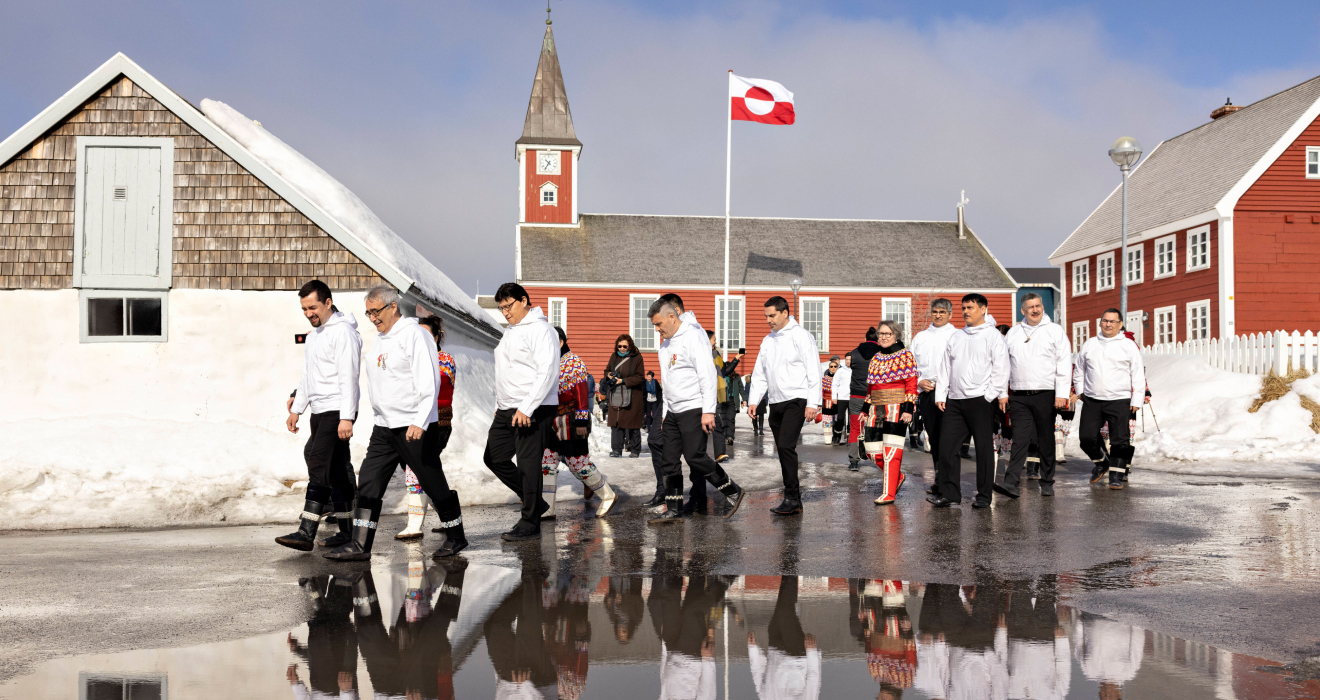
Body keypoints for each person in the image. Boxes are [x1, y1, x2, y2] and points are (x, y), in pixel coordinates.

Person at [324, 285, 463, 561]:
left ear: (393, 307)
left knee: (432, 482)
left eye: (376, 311)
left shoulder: (414, 335)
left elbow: (429, 381)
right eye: (368, 312)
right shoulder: (380, 339)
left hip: (413, 426)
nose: (373, 318)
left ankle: (456, 537)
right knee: (369, 481)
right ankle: (360, 544)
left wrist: (421, 421)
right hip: (384, 427)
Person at [278, 280, 362, 552]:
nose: (308, 313)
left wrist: (347, 417)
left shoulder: (343, 333)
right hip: (319, 409)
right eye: (304, 309)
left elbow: (349, 377)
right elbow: (307, 377)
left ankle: (306, 531)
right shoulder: (314, 336)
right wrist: (296, 409)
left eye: (312, 307)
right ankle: (348, 532)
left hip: (337, 409)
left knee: (318, 462)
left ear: (328, 302)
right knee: (335, 470)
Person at [647, 297, 746, 524]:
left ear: (672, 317)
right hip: (672, 411)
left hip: (694, 408)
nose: (657, 329)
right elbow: (668, 381)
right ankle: (674, 509)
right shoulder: (665, 345)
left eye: (659, 323)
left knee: (695, 457)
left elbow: (707, 374)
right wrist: (664, 415)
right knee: (669, 460)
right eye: (654, 325)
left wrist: (708, 411)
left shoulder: (693, 336)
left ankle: (732, 490)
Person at [483, 282, 560, 542]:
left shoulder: (541, 330)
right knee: (494, 457)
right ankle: (535, 503)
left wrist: (527, 408)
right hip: (507, 409)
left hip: (533, 408)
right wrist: (499, 407)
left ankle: (530, 523)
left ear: (524, 300)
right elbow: (507, 373)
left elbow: (547, 372)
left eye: (509, 305)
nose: (505, 312)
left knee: (528, 466)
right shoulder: (511, 331)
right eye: (501, 308)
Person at [929, 294, 1008, 509]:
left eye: (970, 307)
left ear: (983, 309)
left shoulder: (993, 336)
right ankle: (949, 493)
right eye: (963, 307)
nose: (966, 311)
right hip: (955, 400)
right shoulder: (956, 336)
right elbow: (945, 368)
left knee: (983, 450)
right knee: (947, 448)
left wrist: (989, 396)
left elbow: (1001, 369)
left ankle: (984, 496)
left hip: (980, 400)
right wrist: (941, 395)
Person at [747, 296, 822, 516]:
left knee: (786, 446)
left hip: (796, 399)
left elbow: (813, 369)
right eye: (766, 316)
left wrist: (813, 403)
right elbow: (760, 372)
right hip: (776, 401)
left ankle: (792, 497)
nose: (768, 320)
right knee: (782, 448)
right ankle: (793, 498)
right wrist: (754, 399)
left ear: (785, 312)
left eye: (772, 315)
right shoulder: (768, 341)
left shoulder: (801, 336)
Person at [994, 293, 1071, 499]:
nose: (1035, 310)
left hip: (1045, 394)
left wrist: (1062, 393)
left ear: (1042, 307)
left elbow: (1063, 363)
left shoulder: (1055, 331)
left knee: (1046, 439)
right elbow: (1003, 365)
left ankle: (1047, 482)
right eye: (1030, 307)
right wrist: (1002, 392)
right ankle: (1011, 483)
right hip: (1019, 395)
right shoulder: (1014, 333)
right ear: (1023, 311)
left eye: (1038, 306)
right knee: (1020, 439)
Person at [542, 326, 618, 518]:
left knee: (578, 463)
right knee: (548, 462)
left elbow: (582, 394)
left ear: (560, 342)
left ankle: (607, 495)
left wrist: (582, 422)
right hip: (553, 420)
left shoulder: (573, 363)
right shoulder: (553, 362)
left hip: (571, 419)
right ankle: (547, 508)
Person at [395, 314, 457, 540]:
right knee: (426, 472)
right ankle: (448, 517)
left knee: (416, 470)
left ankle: (414, 525)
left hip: (436, 424)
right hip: (407, 424)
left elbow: (434, 387)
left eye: (425, 333)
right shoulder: (410, 357)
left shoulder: (444, 359)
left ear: (437, 336)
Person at [1073, 308, 1145, 490]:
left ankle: (1116, 476)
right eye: (1105, 320)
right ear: (1100, 322)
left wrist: (1137, 399)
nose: (1108, 324)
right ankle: (1102, 463)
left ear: (1120, 324)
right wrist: (1080, 390)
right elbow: (1079, 369)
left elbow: (1137, 374)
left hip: (1119, 399)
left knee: (1120, 441)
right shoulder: (1090, 344)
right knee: (1086, 438)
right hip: (1092, 399)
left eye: (1113, 321)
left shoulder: (1128, 345)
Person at [862, 320, 919, 506]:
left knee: (891, 452)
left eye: (888, 334)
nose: (884, 337)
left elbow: (911, 383)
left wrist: (909, 409)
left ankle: (889, 493)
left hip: (897, 407)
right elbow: (870, 387)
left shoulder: (905, 356)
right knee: (871, 451)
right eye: (881, 334)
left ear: (896, 335)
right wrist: (865, 408)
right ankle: (898, 477)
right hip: (875, 408)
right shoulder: (876, 358)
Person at [909, 299, 957, 492]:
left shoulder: (956, 336)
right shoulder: (920, 337)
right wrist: (919, 381)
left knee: (949, 439)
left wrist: (943, 383)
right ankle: (939, 478)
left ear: (950, 314)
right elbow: (911, 366)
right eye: (935, 311)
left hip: (949, 394)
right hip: (926, 393)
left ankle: (950, 480)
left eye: (943, 312)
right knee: (934, 438)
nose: (938, 315)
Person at [748, 577, 822, 700]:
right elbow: (813, 681)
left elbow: (759, 676)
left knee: (780, 606)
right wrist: (812, 653)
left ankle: (788, 569)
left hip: (774, 649)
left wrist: (753, 650)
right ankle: (790, 564)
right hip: (795, 656)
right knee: (785, 611)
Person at [846, 328, 883, 470]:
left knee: (855, 427)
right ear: (878, 338)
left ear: (865, 337)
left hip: (856, 395)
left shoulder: (855, 353)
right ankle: (880, 459)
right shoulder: (881, 353)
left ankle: (854, 461)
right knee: (879, 427)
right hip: (875, 395)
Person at [604, 334, 646, 458]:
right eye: (620, 346)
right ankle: (616, 449)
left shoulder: (637, 358)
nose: (622, 348)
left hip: (632, 395)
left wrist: (623, 381)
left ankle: (634, 449)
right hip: (616, 394)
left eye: (624, 346)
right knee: (616, 422)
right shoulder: (614, 356)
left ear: (630, 346)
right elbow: (607, 370)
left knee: (632, 423)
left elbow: (640, 377)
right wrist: (609, 375)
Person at [719, 343, 747, 459]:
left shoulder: (736, 377)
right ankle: (726, 435)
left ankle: (729, 436)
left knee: (731, 418)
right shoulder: (720, 376)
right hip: (722, 399)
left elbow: (741, 388)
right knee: (723, 419)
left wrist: (744, 399)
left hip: (731, 400)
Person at [830, 356, 852, 445]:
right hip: (842, 398)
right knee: (840, 418)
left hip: (852, 398)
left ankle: (850, 438)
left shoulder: (856, 370)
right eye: (847, 359)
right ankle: (837, 436)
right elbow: (835, 384)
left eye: (850, 360)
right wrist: (834, 397)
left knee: (852, 419)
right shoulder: (840, 371)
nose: (848, 361)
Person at [821, 356, 840, 441]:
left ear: (838, 367)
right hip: (827, 402)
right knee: (827, 421)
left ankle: (837, 438)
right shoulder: (824, 379)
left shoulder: (840, 378)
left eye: (835, 366)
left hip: (838, 402)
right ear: (829, 368)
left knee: (838, 420)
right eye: (831, 366)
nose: (833, 368)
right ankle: (828, 439)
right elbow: (821, 392)